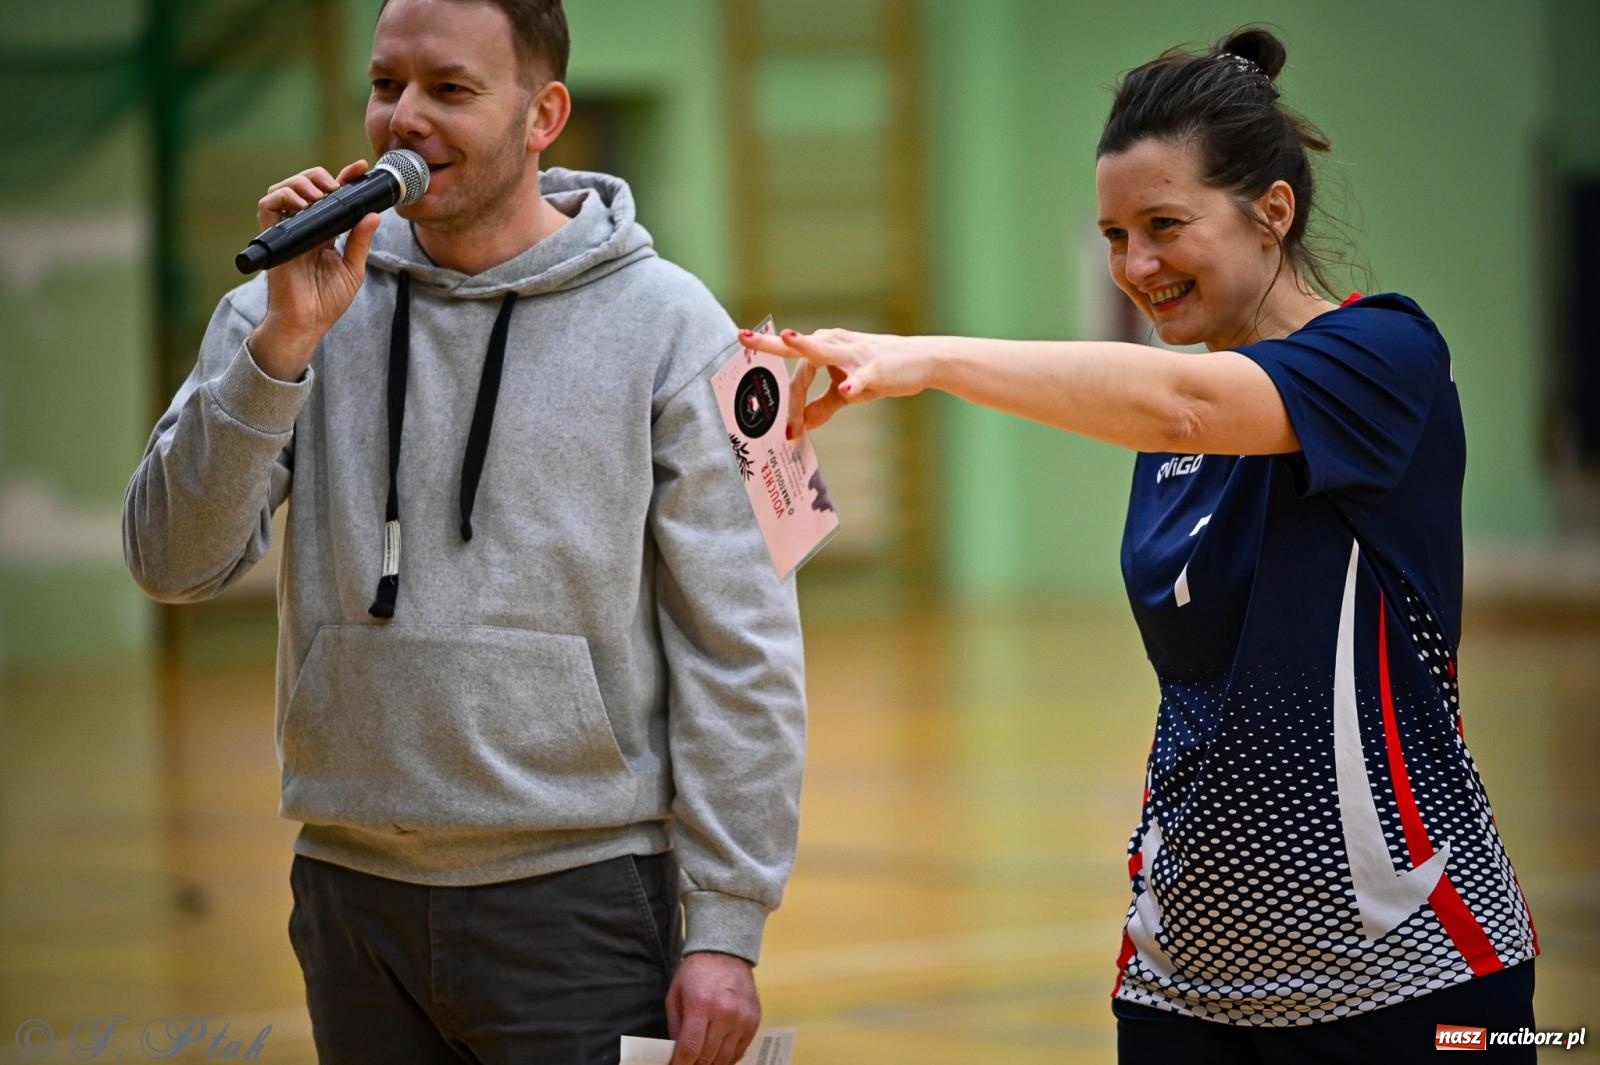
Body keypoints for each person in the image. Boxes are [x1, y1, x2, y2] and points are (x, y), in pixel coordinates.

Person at [742, 26, 1538, 1064]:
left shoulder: (1386, 356)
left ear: (1272, 213)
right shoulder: (1166, 437)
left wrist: (923, 357)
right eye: (1114, 236)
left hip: (1414, 975)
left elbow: (1186, 406)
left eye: (1163, 225)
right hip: (1183, 981)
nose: (1135, 266)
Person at [122, 1, 806, 1062]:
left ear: (544, 115)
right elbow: (168, 563)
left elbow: (748, 645)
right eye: (385, 83)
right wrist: (283, 349)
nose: (404, 118)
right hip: (349, 889)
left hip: (578, 899)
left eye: (449, 89)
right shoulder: (287, 304)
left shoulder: (687, 328)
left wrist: (727, 926)